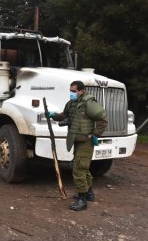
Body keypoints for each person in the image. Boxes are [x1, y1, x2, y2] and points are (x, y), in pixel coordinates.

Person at [47, 80, 107, 211]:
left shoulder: (89, 103)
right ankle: (88, 193)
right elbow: (64, 115)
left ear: (81, 91)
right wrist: (53, 115)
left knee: (78, 169)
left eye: (74, 91)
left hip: (86, 141)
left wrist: (96, 134)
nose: (72, 93)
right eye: (70, 91)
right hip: (77, 140)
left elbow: (103, 118)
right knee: (83, 168)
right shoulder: (71, 103)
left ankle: (82, 199)